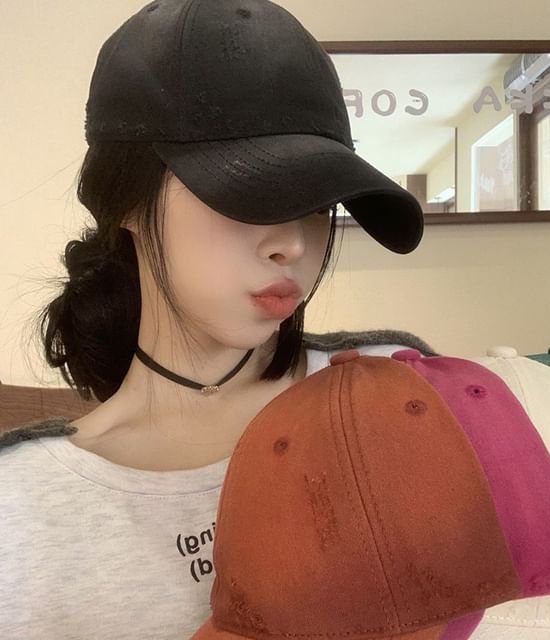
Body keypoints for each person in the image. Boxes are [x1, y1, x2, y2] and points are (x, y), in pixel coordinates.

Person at [0, 0, 434, 637]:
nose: (294, 244)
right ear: (126, 200)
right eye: (252, 194)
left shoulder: (393, 388)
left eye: (319, 203)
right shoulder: (20, 507)